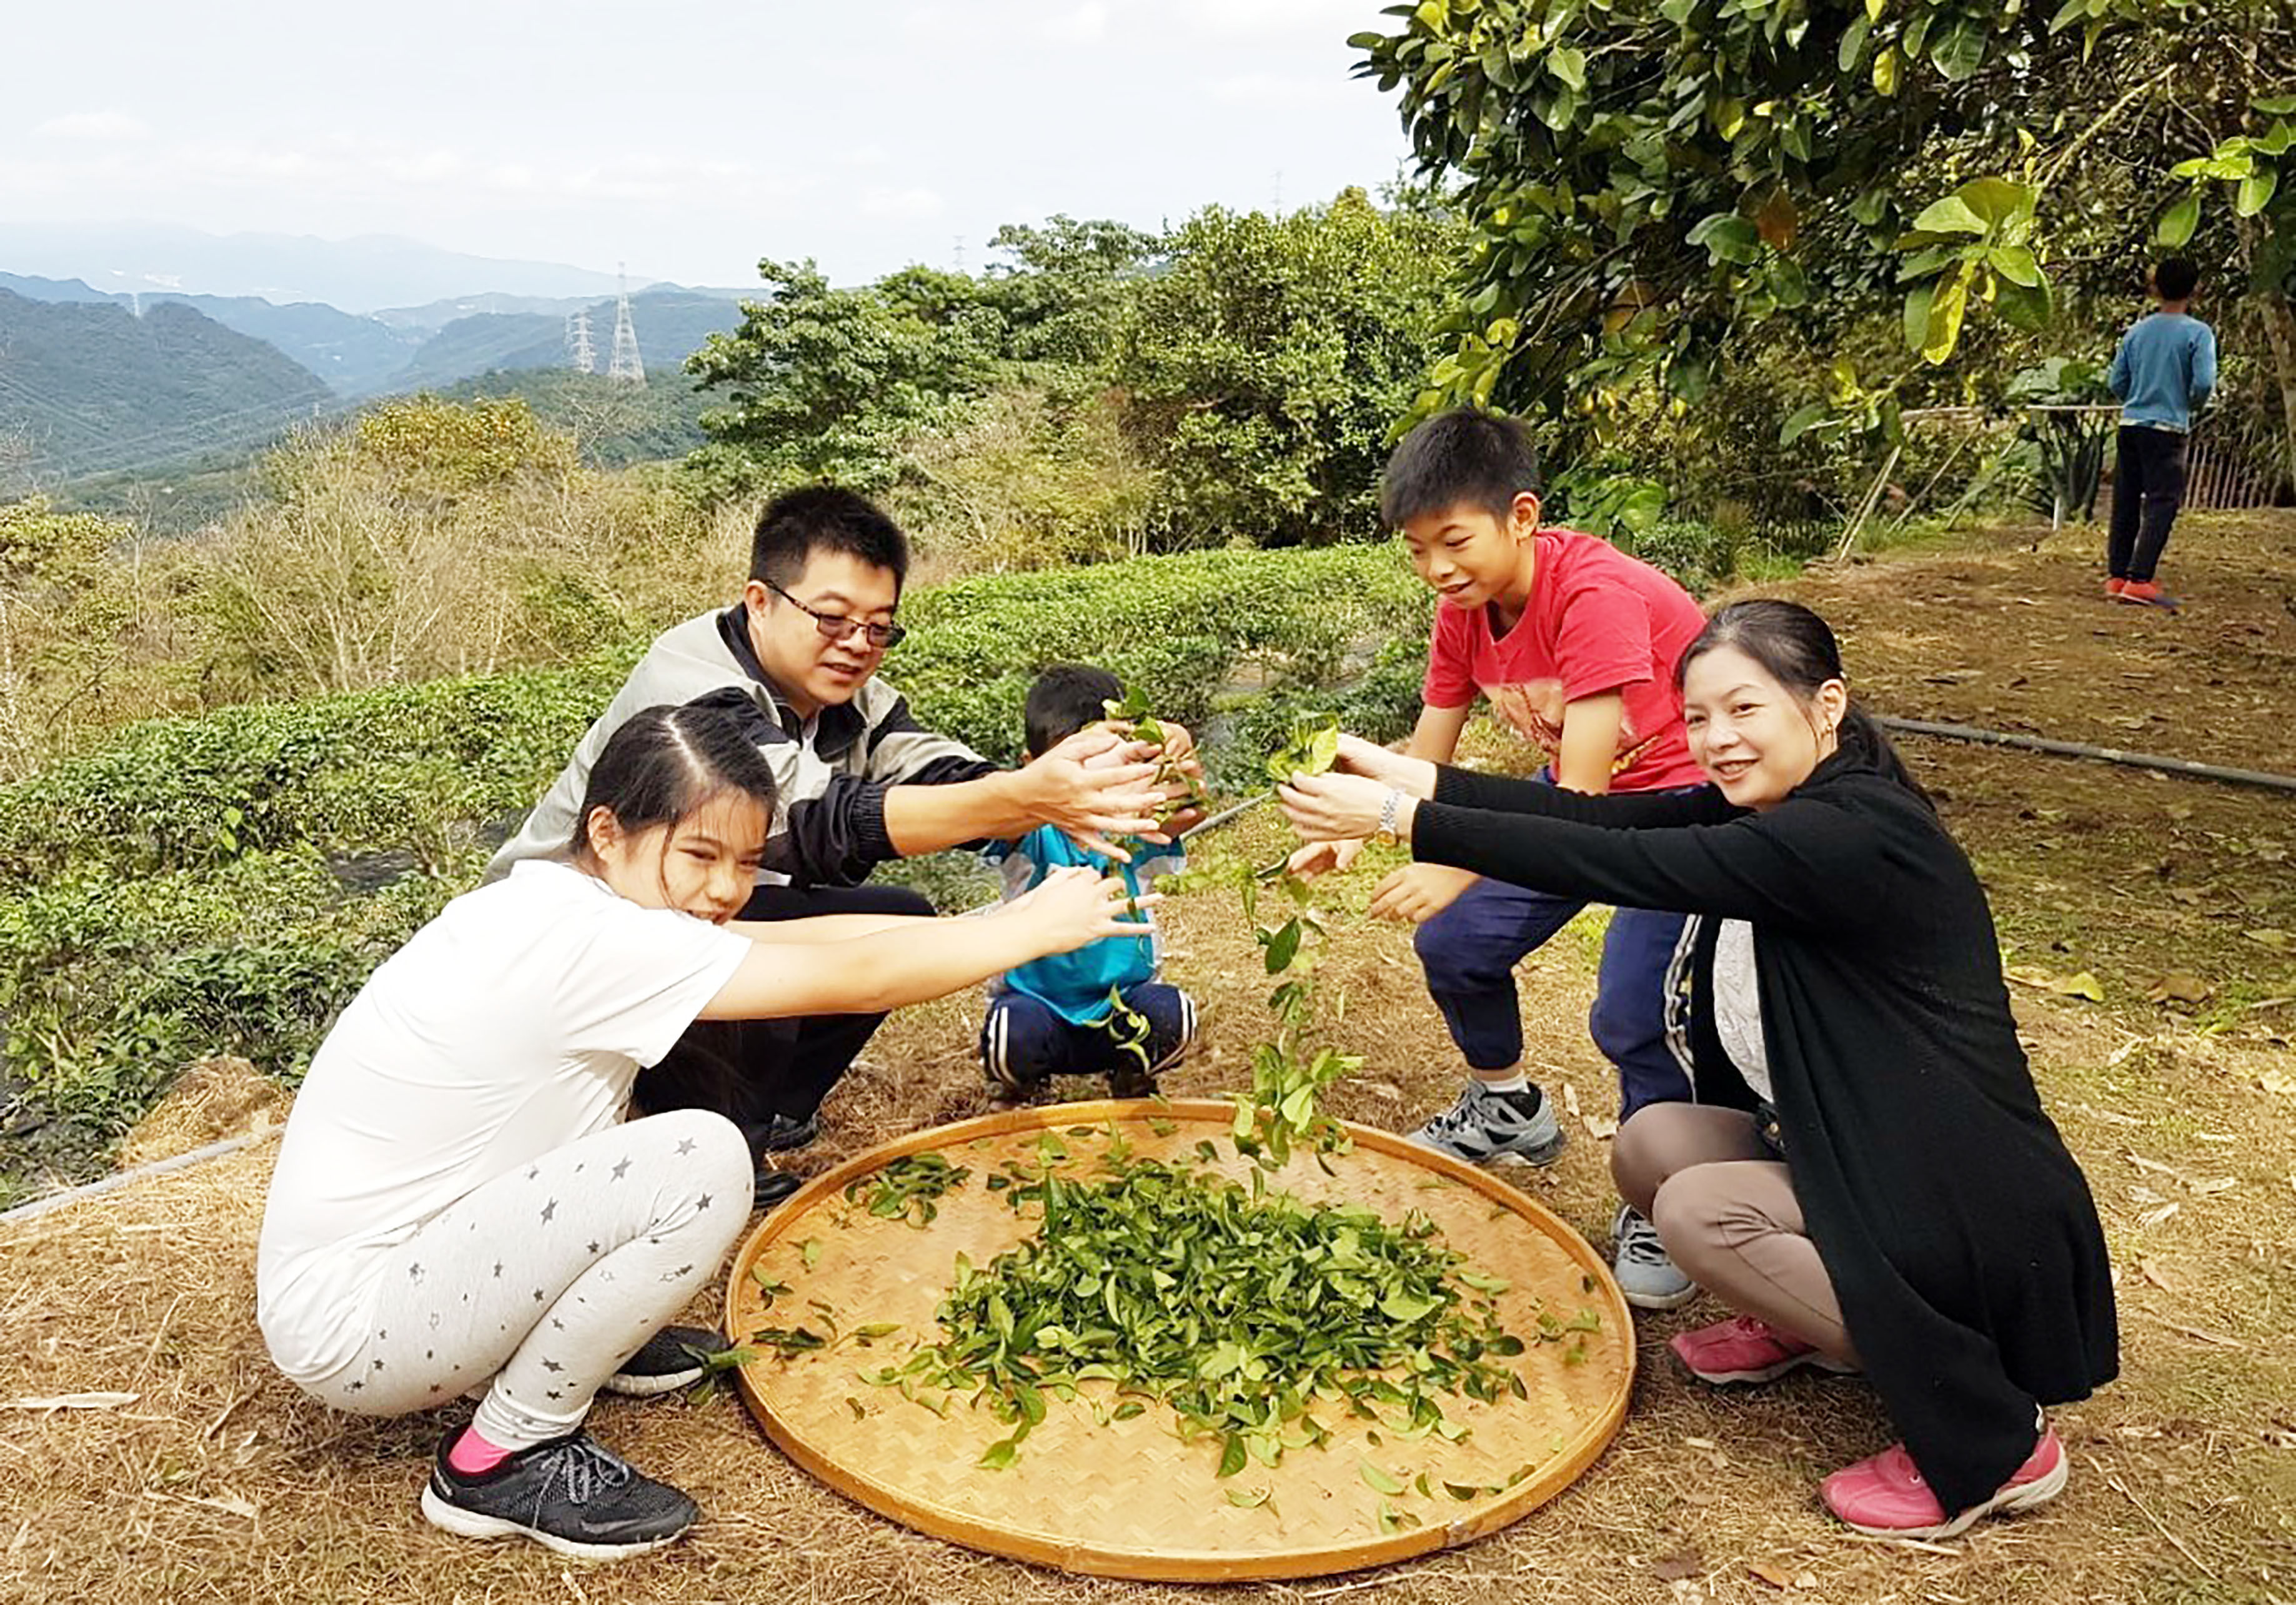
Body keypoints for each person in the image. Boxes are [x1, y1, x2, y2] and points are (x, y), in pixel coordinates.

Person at [1276, 599, 2117, 1540]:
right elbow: (1599, 818)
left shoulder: (1848, 836)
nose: (1717, 740)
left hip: (1956, 1196)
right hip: (1851, 1144)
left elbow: (1608, 863)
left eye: (1744, 710)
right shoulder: (1792, 803)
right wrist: (1415, 774)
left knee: (1693, 1213)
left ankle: (1996, 1440)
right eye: (1696, 718)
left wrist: (1404, 818)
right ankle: (1813, 1319)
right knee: (1651, 1144)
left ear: (1824, 703)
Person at [259, 702, 1154, 1559]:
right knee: (702, 1159)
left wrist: (1002, 922)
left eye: (744, 859)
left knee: (648, 1142)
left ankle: (571, 1336)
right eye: (697, 854)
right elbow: (856, 973)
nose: (725, 891)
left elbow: (807, 946)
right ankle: (499, 1460)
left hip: (417, 1267)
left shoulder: (558, 904)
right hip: (360, 1330)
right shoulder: (591, 945)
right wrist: (1026, 929)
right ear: (606, 832)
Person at [485, 487, 1194, 1200]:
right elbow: (813, 821)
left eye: (878, 627)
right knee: (759, 935)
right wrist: (1027, 795)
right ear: (760, 601)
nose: (856, 644)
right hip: (574, 943)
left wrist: (1116, 777)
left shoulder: (850, 701)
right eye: (831, 618)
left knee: (902, 919)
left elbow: (946, 776)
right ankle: (718, 1146)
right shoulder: (696, 682)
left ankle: (776, 1108)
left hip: (692, 913)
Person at [1290, 407, 1707, 1309]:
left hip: (1681, 812)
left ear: (1520, 517)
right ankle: (1507, 1108)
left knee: (1634, 1010)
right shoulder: (1464, 611)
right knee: (1456, 944)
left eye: (1451, 542)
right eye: (1414, 550)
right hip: (1571, 798)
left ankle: (1664, 1193)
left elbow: (1584, 809)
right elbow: (1426, 755)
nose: (1435, 570)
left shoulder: (1593, 594)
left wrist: (1454, 856)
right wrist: (1354, 821)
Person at [979, 664, 1198, 1105]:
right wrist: (1033, 796)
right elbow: (994, 803)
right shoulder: (1030, 837)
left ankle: (1130, 1073)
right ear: (1032, 769)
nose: (1090, 784)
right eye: (1073, 768)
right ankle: (1025, 1085)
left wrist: (1176, 750)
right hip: (1039, 1010)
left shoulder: (1136, 827)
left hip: (1121, 1009)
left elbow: (1188, 812)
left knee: (1175, 1017)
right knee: (1010, 1036)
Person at [2106, 255, 2217, 612]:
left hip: (2131, 423)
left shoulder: (2137, 332)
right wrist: (2188, 403)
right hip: (2168, 427)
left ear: (2154, 287)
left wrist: (2138, 398)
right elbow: (2203, 383)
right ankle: (2141, 580)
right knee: (2161, 503)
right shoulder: (2198, 333)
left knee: (2125, 502)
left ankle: (2117, 577)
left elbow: (2116, 381)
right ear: (2196, 289)